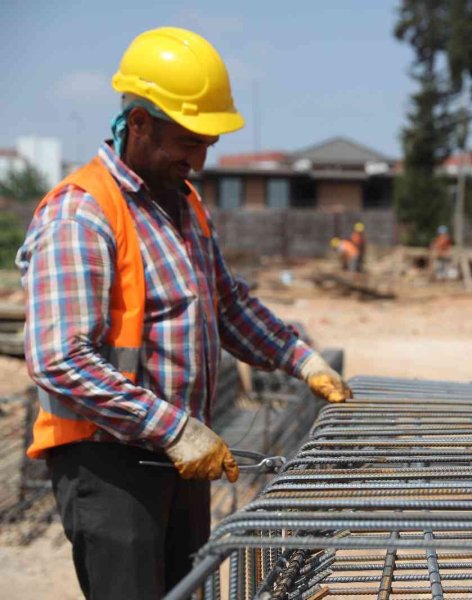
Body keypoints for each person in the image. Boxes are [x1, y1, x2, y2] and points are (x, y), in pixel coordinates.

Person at [16, 27, 352, 599]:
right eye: (188, 141)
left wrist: (301, 358)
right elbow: (59, 360)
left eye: (207, 143)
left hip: (182, 456)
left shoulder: (183, 203)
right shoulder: (82, 214)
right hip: (111, 467)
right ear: (139, 123)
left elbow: (227, 303)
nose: (199, 159)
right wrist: (173, 428)